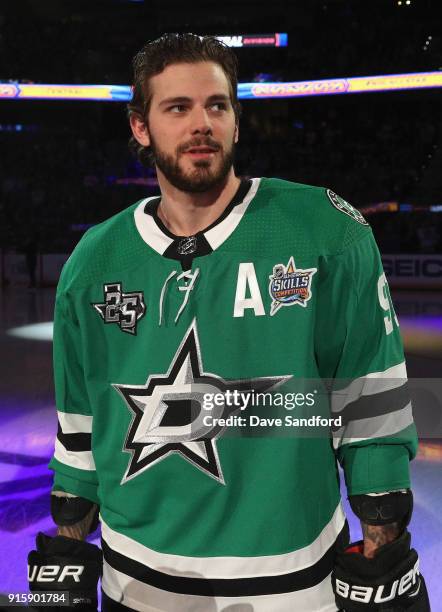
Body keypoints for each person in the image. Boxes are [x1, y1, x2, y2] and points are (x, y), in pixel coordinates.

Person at [28, 33, 430, 612]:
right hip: (135, 582)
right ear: (140, 127)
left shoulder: (326, 231)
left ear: (236, 122)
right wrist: (68, 543)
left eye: (217, 106)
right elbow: (81, 422)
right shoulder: (95, 261)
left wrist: (383, 531)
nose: (202, 123)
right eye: (178, 108)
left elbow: (370, 396)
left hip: (294, 584)